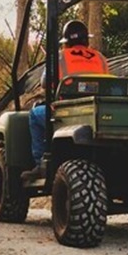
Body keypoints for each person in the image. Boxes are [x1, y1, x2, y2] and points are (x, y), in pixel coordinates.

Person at [23, 20, 110, 180]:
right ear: (86, 40)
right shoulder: (100, 58)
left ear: (66, 42)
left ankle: (40, 162)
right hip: (99, 110)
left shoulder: (60, 57)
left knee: (35, 114)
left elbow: (44, 83)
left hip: (66, 112)